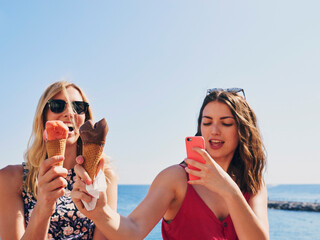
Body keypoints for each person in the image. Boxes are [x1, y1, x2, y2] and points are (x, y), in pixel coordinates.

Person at [71, 88, 269, 240]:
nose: (214, 131)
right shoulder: (176, 178)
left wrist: (230, 191)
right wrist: (101, 212)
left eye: (226, 123)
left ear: (242, 129)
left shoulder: (253, 183)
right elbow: (134, 229)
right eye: (207, 122)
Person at [0, 81, 118, 240]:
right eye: (57, 106)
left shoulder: (104, 176)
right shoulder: (10, 178)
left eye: (78, 107)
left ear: (86, 118)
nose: (69, 113)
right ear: (43, 116)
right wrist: (43, 208)